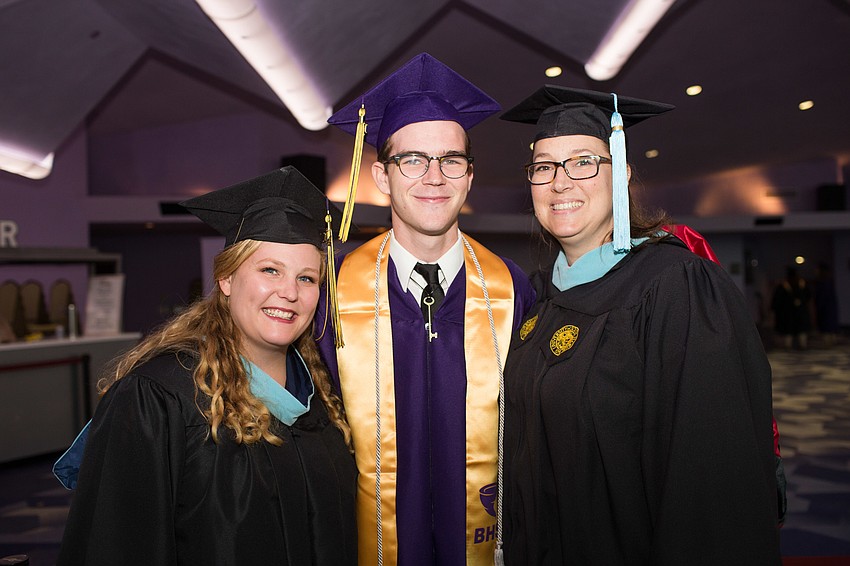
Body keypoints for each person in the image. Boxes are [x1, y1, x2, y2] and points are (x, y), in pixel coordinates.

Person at [499, 86, 781, 565]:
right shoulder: (538, 297)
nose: (560, 182)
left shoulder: (677, 287)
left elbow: (710, 478)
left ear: (622, 173)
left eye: (584, 161)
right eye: (544, 166)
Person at [56, 167, 357, 566]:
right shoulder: (160, 395)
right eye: (270, 270)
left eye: (307, 278)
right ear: (227, 277)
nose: (289, 293)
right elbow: (117, 543)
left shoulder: (323, 399)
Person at [317, 52, 536, 565]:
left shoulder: (510, 288)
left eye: (451, 160)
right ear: (382, 176)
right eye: (412, 159)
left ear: (469, 175)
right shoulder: (333, 292)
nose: (434, 176)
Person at [771, 266, 812, 349]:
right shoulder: (797, 285)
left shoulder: (786, 285)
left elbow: (777, 300)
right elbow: (808, 296)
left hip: (790, 312)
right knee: (796, 329)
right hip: (795, 312)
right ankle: (800, 345)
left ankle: (792, 345)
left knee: (791, 330)